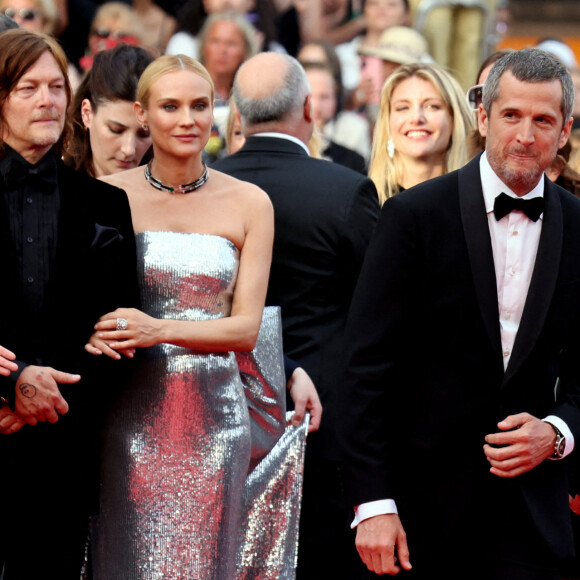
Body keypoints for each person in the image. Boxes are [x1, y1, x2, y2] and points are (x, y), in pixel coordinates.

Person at [340, 47, 580, 579]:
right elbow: (363, 370)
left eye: (542, 120)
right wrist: (374, 504)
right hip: (421, 515)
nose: (525, 135)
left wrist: (559, 431)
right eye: (512, 115)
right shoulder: (413, 216)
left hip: (535, 518)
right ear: (483, 116)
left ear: (563, 132)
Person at [85, 53, 311, 578]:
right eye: (170, 106)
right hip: (128, 422)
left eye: (199, 105)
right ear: (143, 115)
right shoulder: (106, 198)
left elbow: (244, 329)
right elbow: (88, 312)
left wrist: (157, 328)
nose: (187, 119)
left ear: (217, 112)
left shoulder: (251, 203)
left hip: (216, 425)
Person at [212, 51, 380, 580]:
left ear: (236, 116)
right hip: (322, 422)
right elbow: (377, 310)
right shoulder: (344, 190)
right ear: (311, 109)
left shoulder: (205, 190)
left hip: (220, 411)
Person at [0, 29, 139, 579]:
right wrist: (12, 385)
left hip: (63, 451)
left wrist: (43, 395)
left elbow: (119, 331)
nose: (48, 100)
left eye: (56, 86)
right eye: (29, 87)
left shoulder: (107, 203)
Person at [369, 61, 474, 204]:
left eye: (432, 106)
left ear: (454, 119)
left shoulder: (476, 201)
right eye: (402, 108)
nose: (416, 118)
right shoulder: (366, 203)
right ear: (387, 123)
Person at [64, 44, 153, 177]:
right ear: (87, 113)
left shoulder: (172, 190)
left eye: (144, 134)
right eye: (116, 130)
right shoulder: (53, 188)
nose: (129, 149)